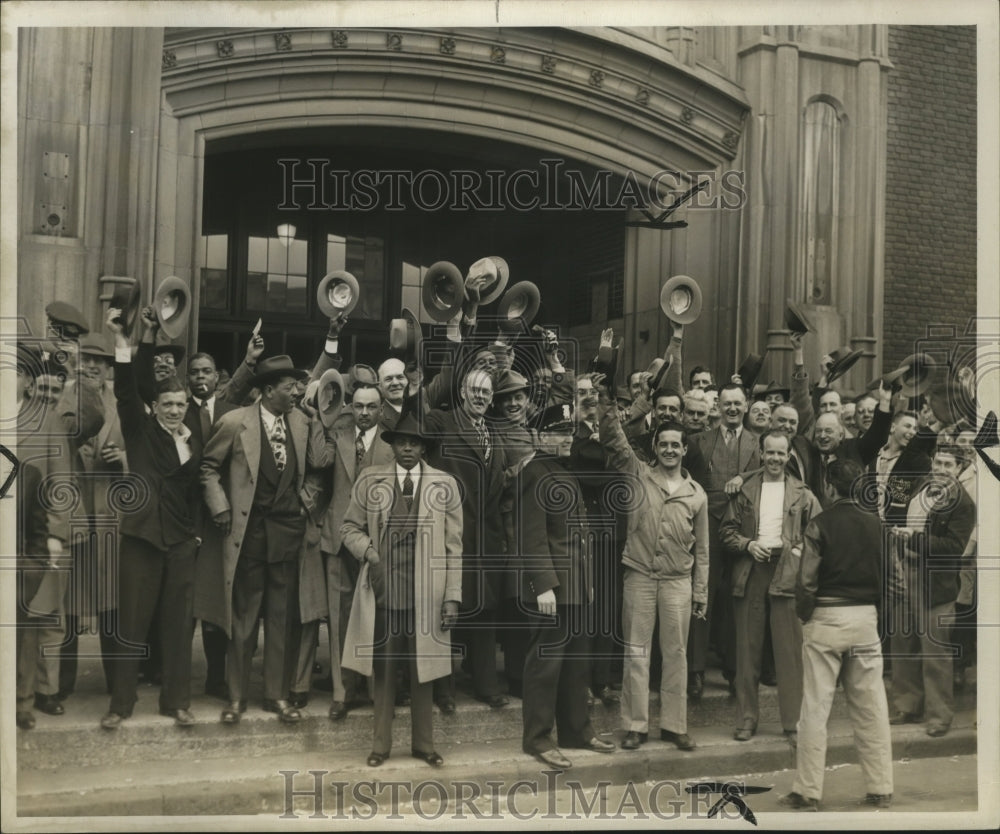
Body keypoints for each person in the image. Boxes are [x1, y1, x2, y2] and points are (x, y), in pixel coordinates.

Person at [340, 414, 463, 768]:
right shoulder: (370, 480)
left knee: (424, 669)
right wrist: (370, 551)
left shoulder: (445, 484)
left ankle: (424, 744)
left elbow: (455, 545)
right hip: (384, 592)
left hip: (428, 594)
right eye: (401, 442)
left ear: (424, 447)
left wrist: (452, 595)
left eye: (414, 443)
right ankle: (380, 745)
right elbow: (348, 528)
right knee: (384, 668)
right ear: (392, 445)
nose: (407, 448)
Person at [101, 306, 202, 730]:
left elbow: (193, 488)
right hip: (141, 539)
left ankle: (176, 702)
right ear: (156, 405)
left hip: (180, 543)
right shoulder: (141, 431)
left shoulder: (192, 440)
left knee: (178, 628)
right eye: (168, 403)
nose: (176, 410)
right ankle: (120, 706)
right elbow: (126, 392)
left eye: (181, 403)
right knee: (132, 626)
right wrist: (124, 344)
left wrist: (194, 536)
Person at [200, 355, 313, 725]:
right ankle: (236, 698)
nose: (296, 392)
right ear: (267, 391)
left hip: (287, 536)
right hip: (248, 535)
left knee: (281, 619)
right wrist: (220, 506)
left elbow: (315, 472)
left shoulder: (302, 423)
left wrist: (304, 503)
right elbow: (208, 468)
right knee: (244, 620)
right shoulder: (234, 423)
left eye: (297, 387)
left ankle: (276, 696)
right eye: (288, 387)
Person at [597, 378, 708, 752]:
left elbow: (704, 550)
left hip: (678, 582)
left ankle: (676, 726)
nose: (670, 450)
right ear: (655, 448)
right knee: (636, 651)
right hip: (640, 577)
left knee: (676, 653)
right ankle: (635, 725)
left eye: (676, 445)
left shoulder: (697, 495)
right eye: (663, 444)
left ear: (685, 448)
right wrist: (608, 400)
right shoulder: (638, 474)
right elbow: (612, 436)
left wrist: (701, 591)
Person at [783, 459, 893, 812]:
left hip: (826, 618)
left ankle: (808, 791)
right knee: (872, 706)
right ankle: (881, 788)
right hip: (865, 618)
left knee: (815, 707)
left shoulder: (819, 524)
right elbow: (890, 578)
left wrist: (805, 615)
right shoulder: (876, 525)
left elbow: (806, 582)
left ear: (829, 487)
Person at [516, 404, 616, 769]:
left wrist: (587, 584)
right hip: (552, 590)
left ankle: (577, 730)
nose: (564, 438)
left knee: (576, 663)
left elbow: (578, 537)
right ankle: (538, 738)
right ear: (540, 437)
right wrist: (543, 585)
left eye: (567, 432)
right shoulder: (536, 473)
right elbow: (532, 536)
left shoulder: (563, 471)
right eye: (556, 432)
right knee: (545, 665)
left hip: (574, 587)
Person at [298, 382, 394, 719]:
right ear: (350, 407)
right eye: (358, 406)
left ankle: (375, 691)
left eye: (371, 407)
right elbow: (318, 464)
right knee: (339, 618)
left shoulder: (392, 445)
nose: (364, 413)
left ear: (382, 410)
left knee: (377, 617)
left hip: (377, 545)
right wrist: (317, 420)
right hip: (338, 537)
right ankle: (342, 691)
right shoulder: (337, 434)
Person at [720, 430, 821, 744]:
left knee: (789, 651)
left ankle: (792, 722)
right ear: (761, 454)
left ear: (789, 454)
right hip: (752, 570)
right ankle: (747, 719)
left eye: (781, 453)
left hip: (787, 571)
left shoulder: (803, 493)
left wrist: (798, 550)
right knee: (747, 650)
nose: (775, 458)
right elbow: (726, 531)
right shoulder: (745, 489)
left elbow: (818, 535)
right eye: (770, 452)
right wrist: (748, 545)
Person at [419, 368, 511, 712]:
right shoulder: (442, 422)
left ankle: (486, 685)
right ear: (461, 391)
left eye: (486, 393)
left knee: (484, 612)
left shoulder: (495, 434)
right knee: (448, 611)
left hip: (486, 539)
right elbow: (421, 406)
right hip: (450, 533)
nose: (480, 397)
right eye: (474, 390)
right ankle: (444, 691)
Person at [887, 445, 975, 737]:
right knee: (903, 642)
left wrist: (914, 539)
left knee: (935, 651)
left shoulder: (962, 504)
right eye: (938, 462)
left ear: (959, 468)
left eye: (948, 465)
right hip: (905, 573)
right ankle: (906, 705)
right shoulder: (920, 486)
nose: (940, 469)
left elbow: (953, 549)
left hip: (935, 584)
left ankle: (939, 716)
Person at [685, 383, 760, 700]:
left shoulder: (759, 442)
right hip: (708, 526)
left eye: (737, 404)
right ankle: (696, 672)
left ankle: (734, 672)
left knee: (736, 601)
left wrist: (744, 477)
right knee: (702, 598)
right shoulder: (698, 441)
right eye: (726, 403)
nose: (732, 408)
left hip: (743, 529)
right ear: (719, 407)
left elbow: (770, 471)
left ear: (746, 406)